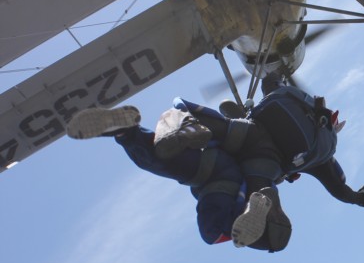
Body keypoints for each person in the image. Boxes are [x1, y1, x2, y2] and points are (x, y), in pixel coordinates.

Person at [66, 105, 292, 252]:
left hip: (218, 173)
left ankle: (129, 130)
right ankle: (155, 130)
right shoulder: (270, 160)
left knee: (160, 152)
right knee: (213, 232)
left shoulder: (267, 157)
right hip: (222, 172)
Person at [175, 76, 364, 212]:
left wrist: (272, 76)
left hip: (254, 131)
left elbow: (270, 81)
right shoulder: (323, 156)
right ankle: (262, 212)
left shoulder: (287, 98)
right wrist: (356, 198)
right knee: (251, 180)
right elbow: (338, 188)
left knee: (229, 134)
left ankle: (184, 116)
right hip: (267, 160)